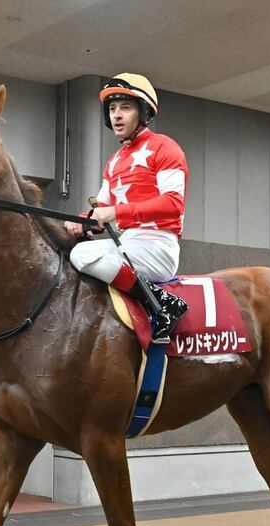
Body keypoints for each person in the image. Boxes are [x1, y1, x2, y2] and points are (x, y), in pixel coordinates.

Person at [64, 72, 189, 344]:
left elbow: (173, 204)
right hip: (127, 244)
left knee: (82, 255)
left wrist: (116, 213)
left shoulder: (166, 147)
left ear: (143, 112)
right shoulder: (114, 161)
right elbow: (102, 210)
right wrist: (81, 222)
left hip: (158, 246)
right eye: (112, 109)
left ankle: (164, 303)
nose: (116, 115)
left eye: (126, 107)